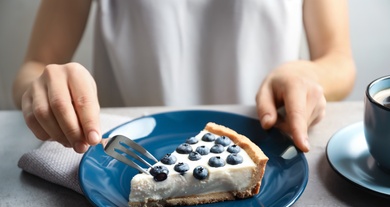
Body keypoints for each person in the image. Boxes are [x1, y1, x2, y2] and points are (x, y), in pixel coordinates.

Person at [12, 0, 356, 154]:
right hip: (121, 157)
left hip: (265, 144)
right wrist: (44, 86)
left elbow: (339, 61)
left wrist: (305, 73)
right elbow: (35, 66)